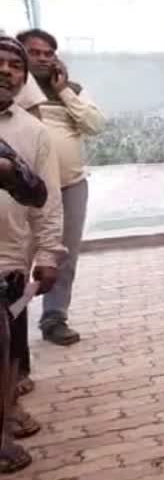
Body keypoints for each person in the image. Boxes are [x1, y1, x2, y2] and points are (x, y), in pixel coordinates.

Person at [17, 28, 106, 346]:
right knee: (18, 257)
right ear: (19, 54)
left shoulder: (72, 89)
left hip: (70, 186)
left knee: (63, 255)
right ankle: (12, 323)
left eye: (48, 53)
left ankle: (54, 317)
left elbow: (95, 124)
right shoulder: (11, 90)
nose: (42, 57)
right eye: (34, 52)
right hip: (21, 189)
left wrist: (65, 91)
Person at [0, 36, 63, 474]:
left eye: (14, 66)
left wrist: (49, 254)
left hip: (8, 259)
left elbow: (46, 199)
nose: (6, 71)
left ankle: (3, 426)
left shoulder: (31, 132)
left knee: (6, 349)